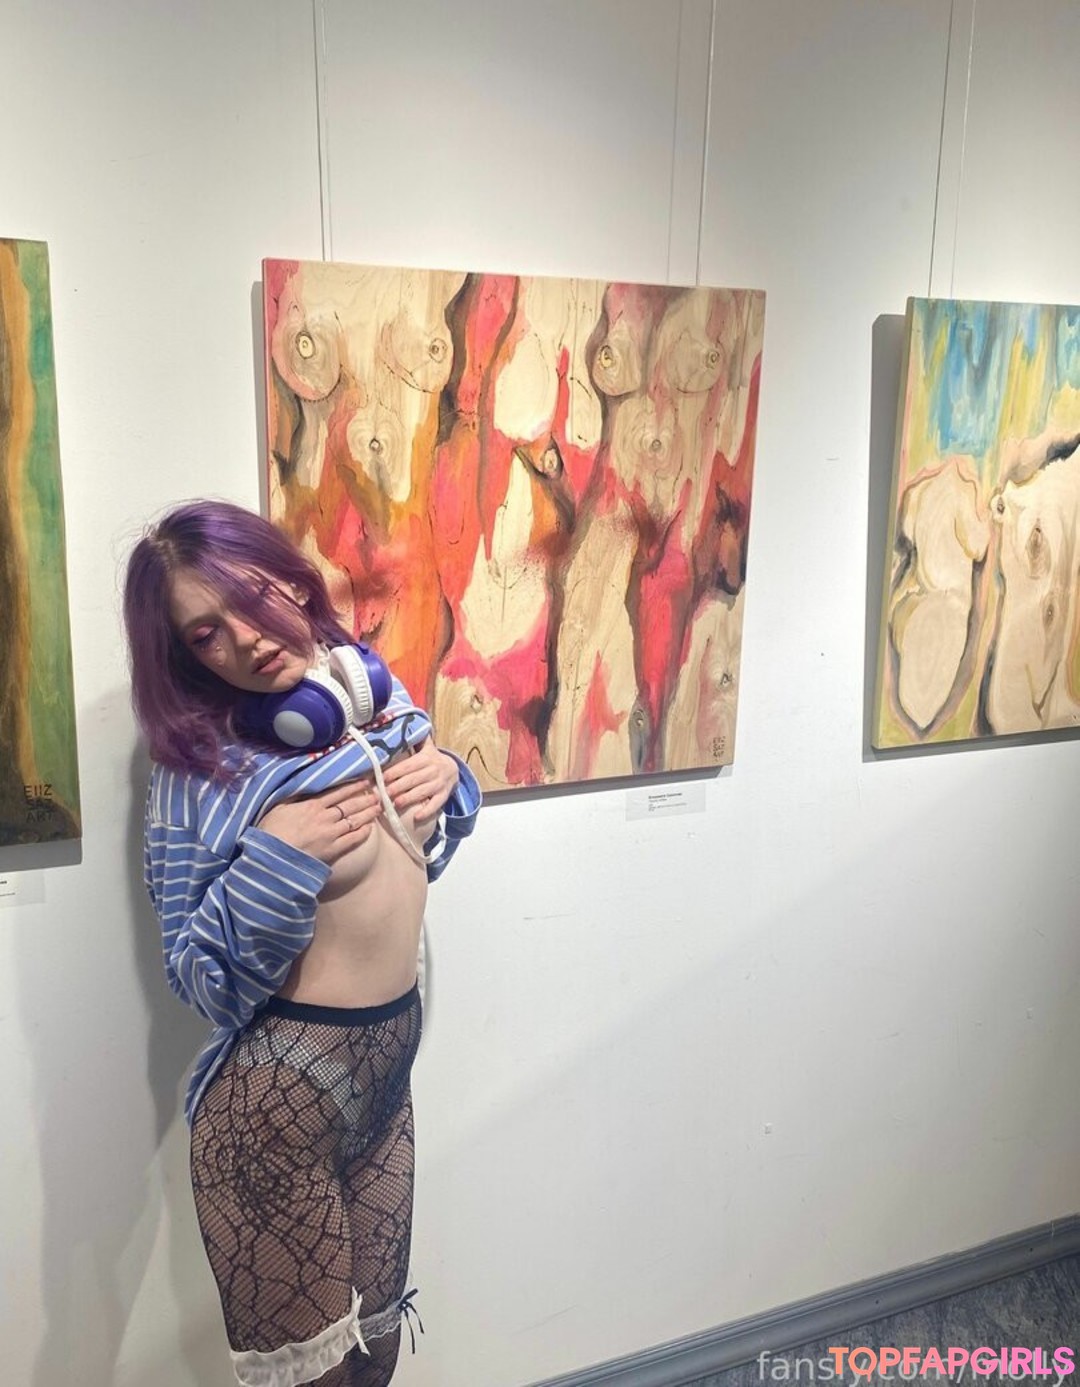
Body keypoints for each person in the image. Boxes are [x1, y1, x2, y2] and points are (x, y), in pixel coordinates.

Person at [124, 499, 481, 1387]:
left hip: (384, 1090)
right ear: (185, 654)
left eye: (252, 597)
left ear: (291, 578)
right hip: (269, 1116)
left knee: (377, 1359)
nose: (245, 639)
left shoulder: (366, 700)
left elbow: (415, 853)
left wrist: (453, 779)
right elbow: (198, 977)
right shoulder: (199, 767)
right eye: (205, 633)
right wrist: (278, 858)